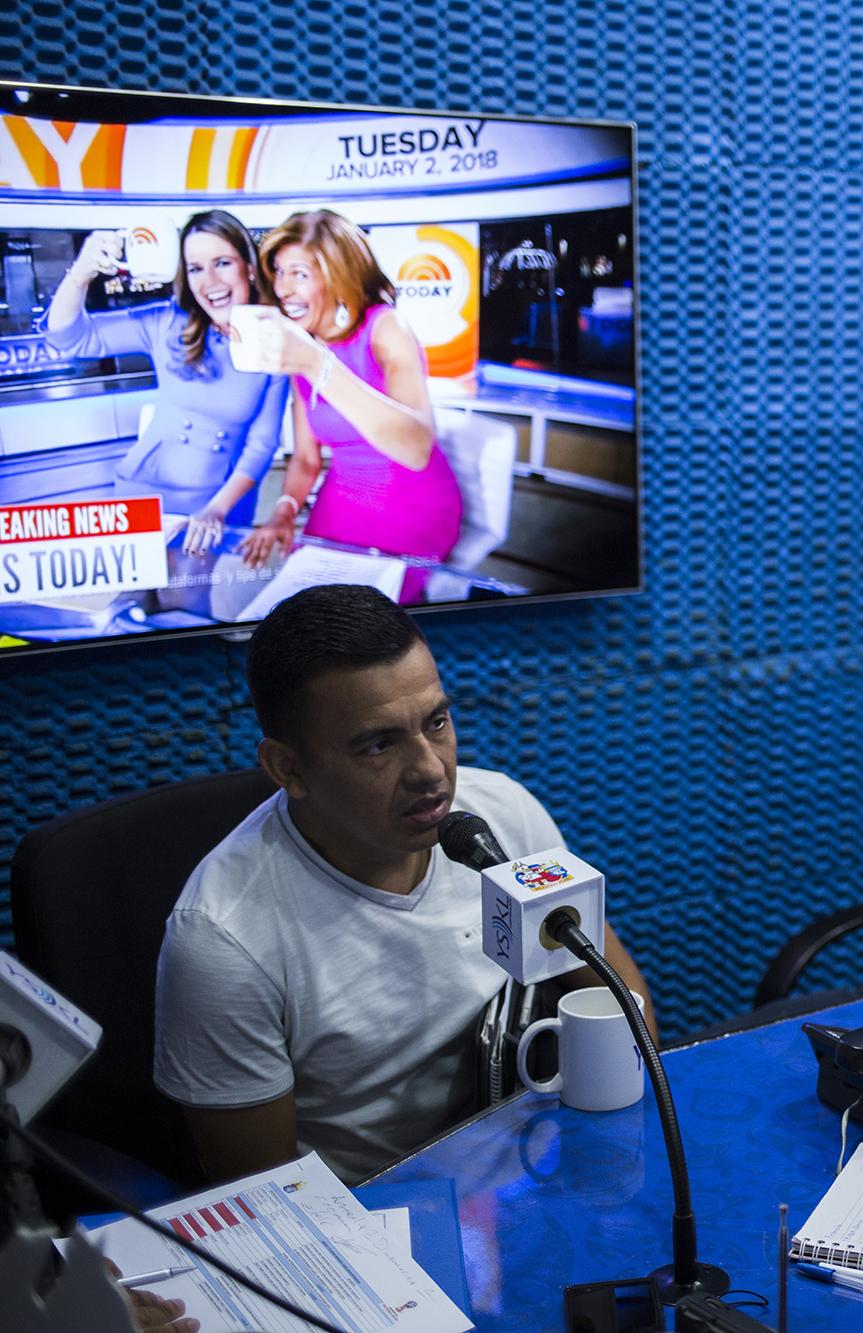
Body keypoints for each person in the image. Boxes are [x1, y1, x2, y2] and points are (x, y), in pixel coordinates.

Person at [154, 584, 655, 1184]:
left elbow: (625, 1011)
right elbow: (266, 1198)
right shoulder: (223, 939)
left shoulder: (504, 813)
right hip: (376, 1223)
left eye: (436, 722)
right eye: (379, 744)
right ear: (288, 767)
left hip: (535, 1168)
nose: (431, 769)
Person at [239, 210, 462, 601]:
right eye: (279, 271)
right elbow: (307, 459)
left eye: (300, 274)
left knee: (361, 621)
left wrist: (316, 363)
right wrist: (285, 509)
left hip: (411, 501)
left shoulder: (385, 328)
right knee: (303, 607)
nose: (283, 288)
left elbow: (416, 449)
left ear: (339, 277)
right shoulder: (303, 346)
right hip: (343, 496)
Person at [42, 213, 289, 550]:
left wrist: (217, 509)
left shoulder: (275, 337)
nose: (210, 281)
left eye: (222, 263)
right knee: (131, 599)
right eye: (196, 268)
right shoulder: (166, 323)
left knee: (186, 599)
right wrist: (81, 273)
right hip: (143, 493)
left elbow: (262, 445)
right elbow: (68, 338)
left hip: (217, 503)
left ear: (248, 267)